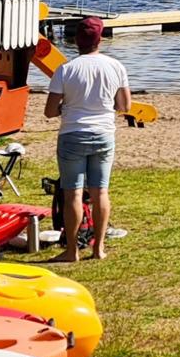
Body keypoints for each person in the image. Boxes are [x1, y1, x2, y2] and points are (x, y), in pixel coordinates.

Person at [43, 17, 131, 261]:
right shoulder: (116, 67)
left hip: (72, 133)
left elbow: (49, 111)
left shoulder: (66, 69)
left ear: (76, 40)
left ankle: (72, 250)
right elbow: (124, 105)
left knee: (73, 194)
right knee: (100, 192)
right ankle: (98, 248)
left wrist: (66, 108)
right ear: (99, 39)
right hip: (103, 133)